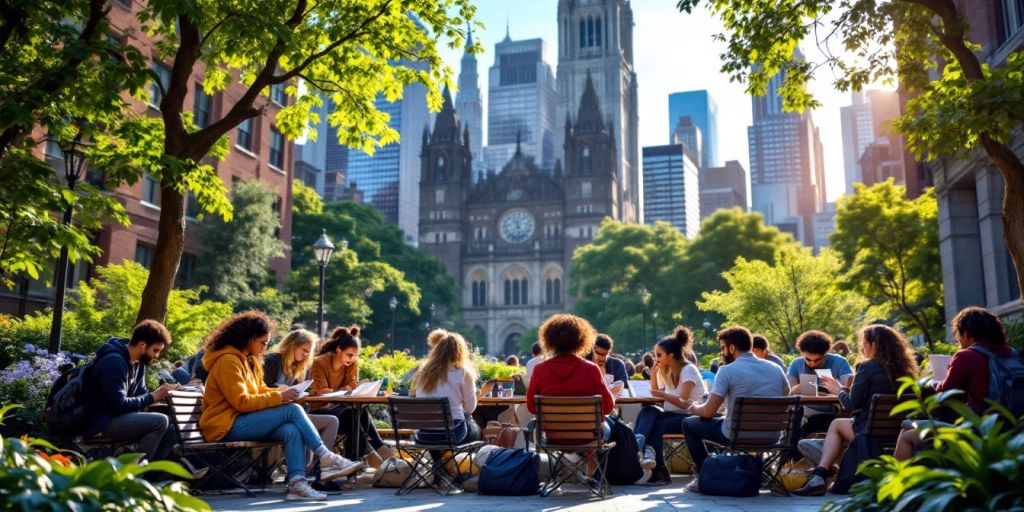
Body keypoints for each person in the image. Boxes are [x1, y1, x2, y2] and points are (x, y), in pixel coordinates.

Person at [198, 311, 362, 501]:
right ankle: (326, 457)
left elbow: (259, 389)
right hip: (224, 426)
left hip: (238, 420)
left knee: (291, 430)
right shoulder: (228, 361)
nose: (265, 348)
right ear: (250, 339)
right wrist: (280, 396)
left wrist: (282, 395)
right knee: (292, 410)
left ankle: (297, 484)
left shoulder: (247, 360)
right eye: (263, 342)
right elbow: (241, 402)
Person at [794, 325, 919, 495]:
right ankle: (827, 470)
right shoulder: (907, 368)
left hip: (870, 431)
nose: (861, 347)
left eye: (864, 343)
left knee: (837, 425)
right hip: (899, 432)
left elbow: (851, 404)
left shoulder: (867, 367)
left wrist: (838, 390)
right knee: (840, 426)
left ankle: (820, 475)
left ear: (873, 345)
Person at [893, 307, 1017, 460]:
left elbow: (944, 398)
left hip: (979, 434)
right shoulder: (1011, 354)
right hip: (1013, 430)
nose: (958, 341)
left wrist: (935, 384)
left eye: (958, 335)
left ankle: (902, 482)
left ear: (966, 333)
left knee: (906, 433)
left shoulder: (966, 356)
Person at [682, 326, 789, 493]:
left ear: (732, 348)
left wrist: (695, 408)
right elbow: (785, 397)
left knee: (689, 424)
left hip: (737, 435)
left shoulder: (726, 370)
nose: (722, 352)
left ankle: (705, 475)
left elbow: (709, 412)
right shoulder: (775, 368)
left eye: (723, 348)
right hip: (773, 435)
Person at [81, 320, 179, 462]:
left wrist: (164, 394)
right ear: (142, 345)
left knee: (173, 426)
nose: (156, 355)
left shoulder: (139, 364)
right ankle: (135, 473)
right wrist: (154, 396)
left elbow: (142, 394)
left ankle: (153, 476)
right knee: (160, 421)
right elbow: (119, 404)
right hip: (101, 422)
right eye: (155, 350)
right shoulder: (114, 362)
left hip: (119, 416)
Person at [311, 326, 393, 467]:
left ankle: (356, 464)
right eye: (349, 355)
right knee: (355, 415)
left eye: (355, 355)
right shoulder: (320, 362)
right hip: (321, 410)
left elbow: (353, 386)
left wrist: (341, 390)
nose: (352, 358)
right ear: (338, 350)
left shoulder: (352, 363)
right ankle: (373, 450)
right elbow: (322, 392)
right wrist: (344, 389)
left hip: (342, 410)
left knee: (358, 413)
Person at [634, 327, 705, 485]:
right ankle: (639, 444)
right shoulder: (666, 371)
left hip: (691, 417)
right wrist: (653, 374)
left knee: (657, 425)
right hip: (673, 415)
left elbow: (684, 402)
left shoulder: (688, 370)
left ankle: (658, 470)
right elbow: (655, 392)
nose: (656, 359)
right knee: (647, 410)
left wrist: (663, 395)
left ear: (671, 356)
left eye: (659, 355)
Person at [526, 314, 615, 442]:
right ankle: (590, 457)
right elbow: (608, 408)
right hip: (588, 436)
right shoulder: (591, 369)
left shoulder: (539, 370)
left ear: (549, 340)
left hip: (554, 437)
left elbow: (531, 407)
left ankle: (577, 460)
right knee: (613, 424)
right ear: (582, 340)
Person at [263, 329, 341, 470]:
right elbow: (261, 388)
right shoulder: (272, 360)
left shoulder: (299, 368)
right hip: (273, 415)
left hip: (293, 413)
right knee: (300, 425)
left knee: (332, 421)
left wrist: (304, 395)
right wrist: (278, 388)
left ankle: (319, 468)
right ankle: (310, 469)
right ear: (292, 345)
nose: (306, 355)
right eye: (304, 350)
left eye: (308, 352)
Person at [411, 329, 480, 447]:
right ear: (461, 352)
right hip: (452, 434)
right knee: (475, 429)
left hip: (424, 434)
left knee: (437, 435)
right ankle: (451, 464)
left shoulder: (423, 372)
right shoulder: (463, 373)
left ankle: (439, 464)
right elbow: (469, 409)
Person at [787, 330, 854, 435]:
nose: (812, 363)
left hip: (833, 411)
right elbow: (790, 392)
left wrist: (834, 389)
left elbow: (848, 388)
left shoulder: (839, 361)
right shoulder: (796, 363)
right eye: (808, 359)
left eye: (817, 360)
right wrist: (804, 387)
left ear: (825, 354)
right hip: (804, 411)